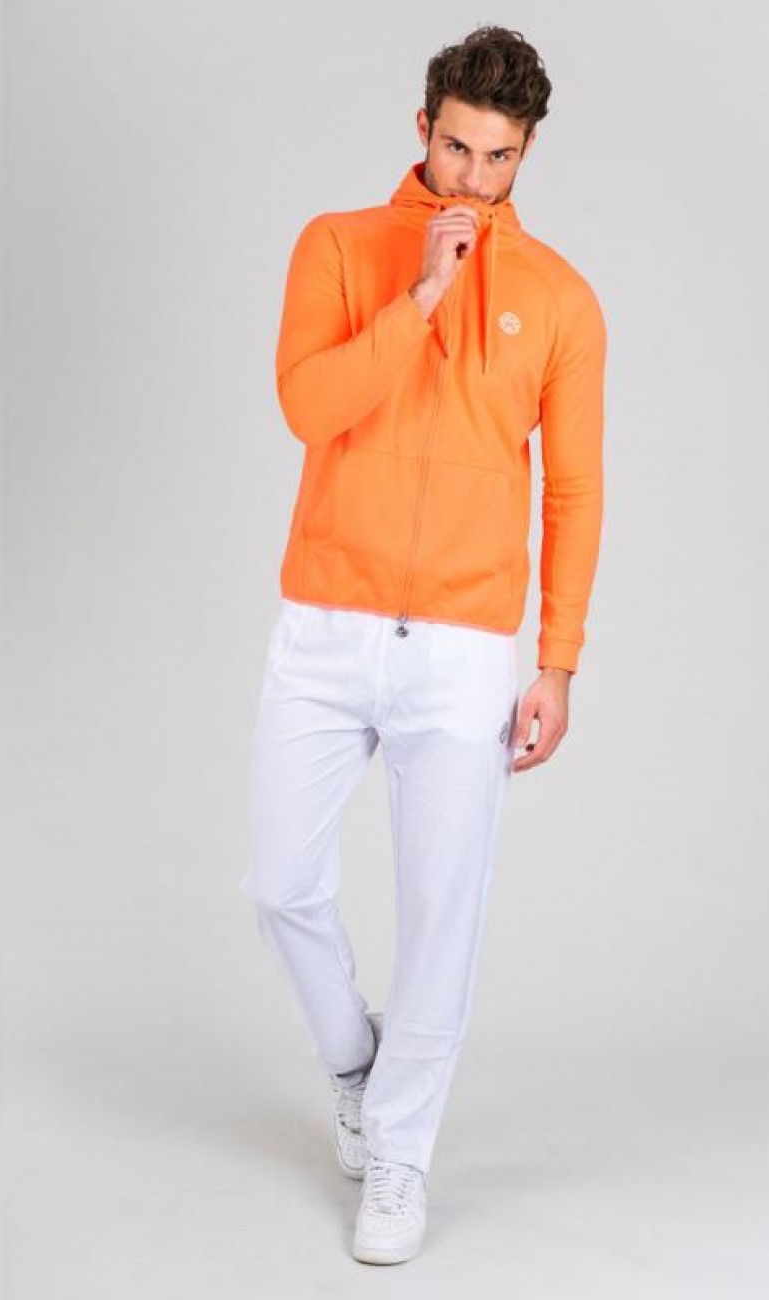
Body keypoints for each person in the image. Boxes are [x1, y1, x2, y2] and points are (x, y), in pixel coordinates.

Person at [239, 24, 607, 1265]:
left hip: (461, 649)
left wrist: (555, 660)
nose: (472, 178)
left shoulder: (561, 299)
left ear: (525, 152)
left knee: (443, 916)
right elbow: (310, 406)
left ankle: (399, 1153)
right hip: (326, 623)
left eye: (498, 158)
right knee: (279, 883)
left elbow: (574, 491)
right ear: (422, 129)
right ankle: (355, 1060)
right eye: (455, 148)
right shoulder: (338, 247)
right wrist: (422, 296)